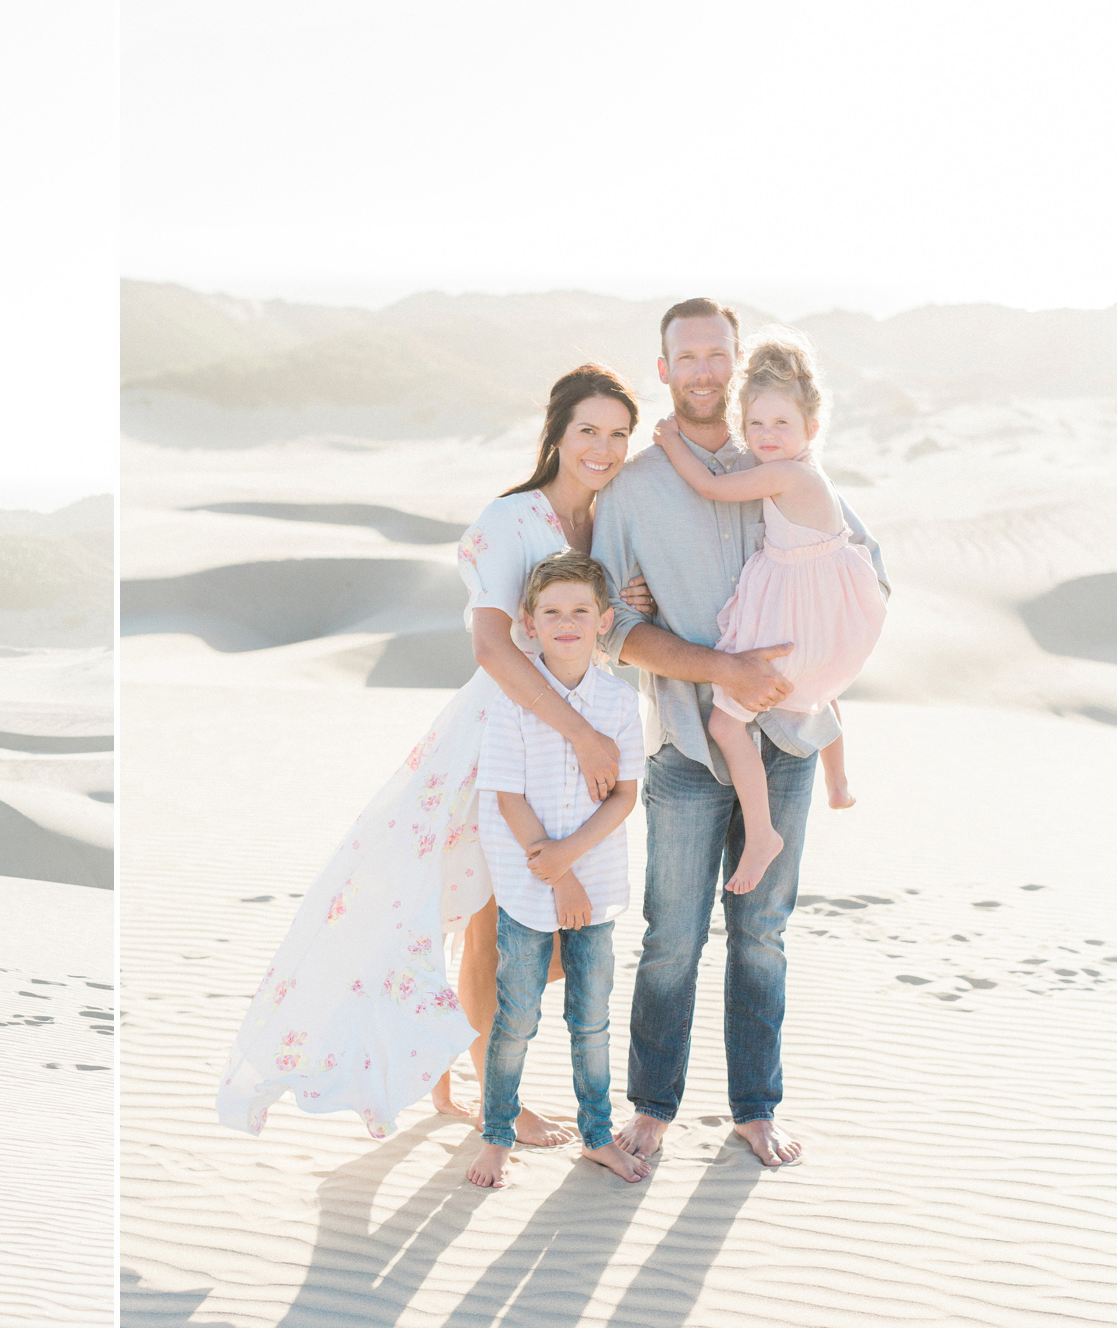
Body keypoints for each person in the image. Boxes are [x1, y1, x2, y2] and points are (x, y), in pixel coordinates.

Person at [217, 364, 655, 1142]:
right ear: (555, 432)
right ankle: (497, 1098)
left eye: (619, 434)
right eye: (589, 430)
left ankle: (455, 1068)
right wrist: (580, 733)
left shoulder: (605, 522)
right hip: (507, 737)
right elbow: (492, 646)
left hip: (575, 748)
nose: (605, 447)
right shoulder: (508, 520)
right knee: (495, 924)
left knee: (545, 938)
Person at [590, 299, 889, 1166]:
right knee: (671, 941)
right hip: (688, 746)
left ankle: (755, 1109)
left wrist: (820, 670)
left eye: (718, 353)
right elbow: (606, 623)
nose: (705, 371)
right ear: (665, 370)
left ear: (736, 359)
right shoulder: (638, 485)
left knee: (761, 937)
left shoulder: (783, 454)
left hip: (788, 744)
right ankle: (652, 1108)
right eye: (687, 358)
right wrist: (716, 666)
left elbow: (864, 571)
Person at [650, 333, 886, 890]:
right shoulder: (809, 472)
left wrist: (669, 441)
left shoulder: (787, 474)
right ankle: (838, 781)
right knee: (814, 690)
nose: (766, 436)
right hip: (819, 615)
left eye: (782, 423)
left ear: (812, 428)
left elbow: (710, 485)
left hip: (793, 618)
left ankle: (762, 834)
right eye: (755, 425)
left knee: (726, 723)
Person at [465, 551, 647, 1187]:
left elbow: (624, 795)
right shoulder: (512, 703)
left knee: (591, 1019)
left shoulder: (620, 704)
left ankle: (597, 1135)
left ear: (603, 621)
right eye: (551, 612)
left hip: (596, 890)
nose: (565, 623)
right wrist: (556, 869)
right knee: (515, 1018)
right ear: (528, 622)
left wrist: (573, 860)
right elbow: (506, 797)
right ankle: (496, 1137)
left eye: (580, 611)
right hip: (526, 886)